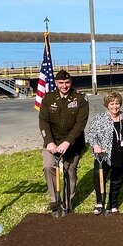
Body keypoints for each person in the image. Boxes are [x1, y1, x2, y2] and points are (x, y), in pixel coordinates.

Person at [39, 70, 89, 212]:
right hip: (52, 141)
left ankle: (68, 201)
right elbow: (43, 121)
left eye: (67, 82)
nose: (64, 86)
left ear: (71, 82)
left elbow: (81, 123)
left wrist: (68, 142)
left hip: (73, 142)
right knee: (49, 166)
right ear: (56, 83)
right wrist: (49, 142)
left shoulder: (80, 99)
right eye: (61, 83)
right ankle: (54, 200)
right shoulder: (48, 99)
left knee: (70, 171)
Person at [87, 92, 123, 215]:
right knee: (99, 177)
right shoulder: (99, 119)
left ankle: (113, 204)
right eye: (112, 104)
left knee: (117, 180)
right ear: (106, 105)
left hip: (122, 154)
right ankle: (100, 202)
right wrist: (95, 146)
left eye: (117, 103)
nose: (115, 106)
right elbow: (91, 135)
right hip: (104, 154)